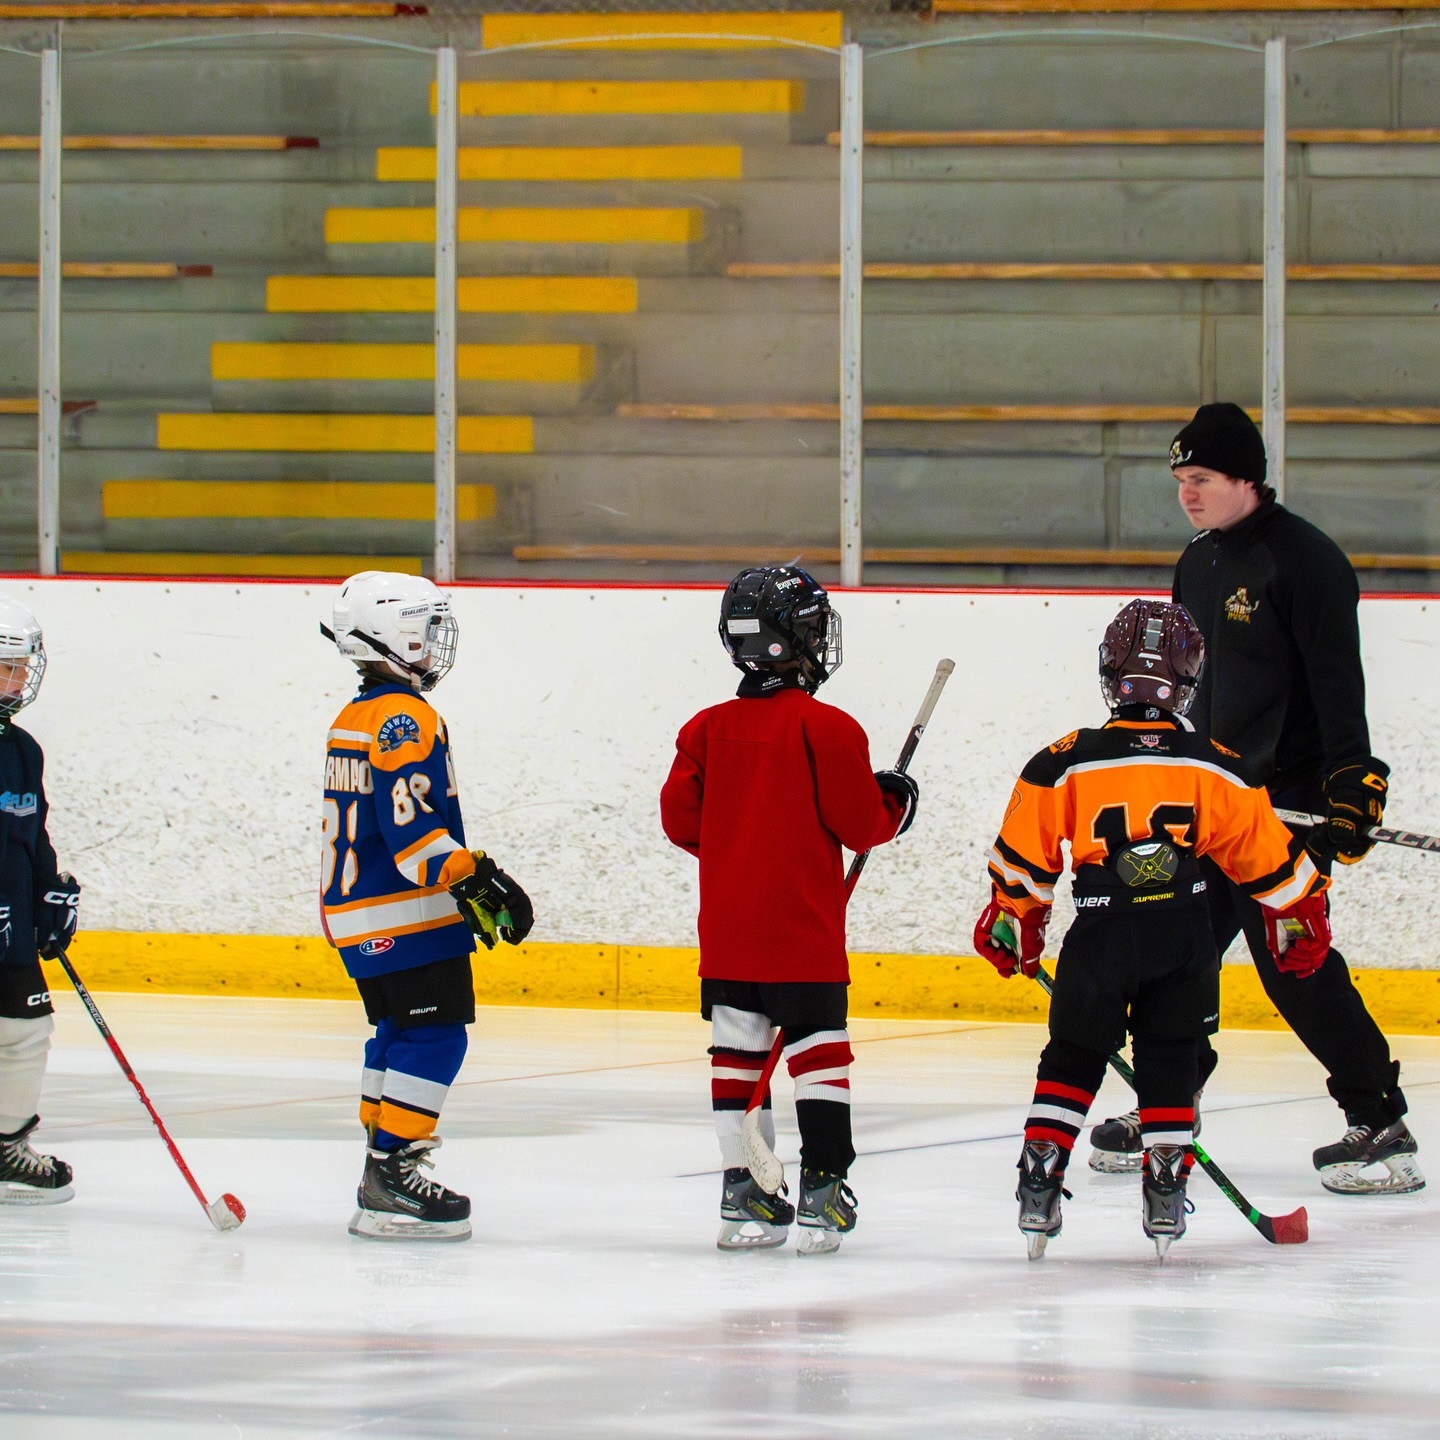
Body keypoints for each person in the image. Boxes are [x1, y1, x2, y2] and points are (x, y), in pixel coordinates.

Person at [1089, 403, 1423, 1196]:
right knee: (1169, 950)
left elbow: (1339, 686)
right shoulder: (1197, 562)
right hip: (1209, 801)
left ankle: (1380, 1121)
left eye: (1200, 479)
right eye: (1178, 482)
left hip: (1285, 808)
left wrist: (1352, 779)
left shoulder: (1306, 563)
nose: (1186, 495)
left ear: (1246, 476)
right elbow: (1188, 690)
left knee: (1292, 963)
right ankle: (1172, 1103)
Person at [975, 599, 1330, 1260]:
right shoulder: (1215, 761)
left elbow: (1022, 861)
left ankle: (1041, 1171)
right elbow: (1267, 861)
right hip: (1182, 932)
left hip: (1101, 934)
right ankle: (1165, 1192)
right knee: (1171, 1054)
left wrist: (1015, 919)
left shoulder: (1064, 758)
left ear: (1111, 673)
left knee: (1073, 1054)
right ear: (1188, 680)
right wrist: (1298, 917)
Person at [660, 565, 917, 1254]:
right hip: (802, 934)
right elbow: (861, 823)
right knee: (817, 1057)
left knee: (736, 1057)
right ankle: (824, 1190)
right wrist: (896, 801)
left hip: (729, 937)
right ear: (799, 639)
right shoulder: (826, 727)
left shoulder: (704, 729)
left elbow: (680, 821)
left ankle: (743, 1195)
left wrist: (739, 848)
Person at [321, 571, 533, 1241]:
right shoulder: (403, 716)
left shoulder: (354, 716)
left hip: (360, 916)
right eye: (426, 626)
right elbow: (411, 831)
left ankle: (380, 1165)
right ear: (391, 634)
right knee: (438, 1035)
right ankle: (393, 1171)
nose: (437, 640)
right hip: (403, 914)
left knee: (397, 1035)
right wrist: (477, 879)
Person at [0, 594, 81, 1205]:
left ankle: (6, 1147)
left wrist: (50, 894)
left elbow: (32, 833)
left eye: (23, 665)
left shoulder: (23, 750)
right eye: (8, 666)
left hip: (12, 927)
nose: (20, 677)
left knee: (27, 1029)